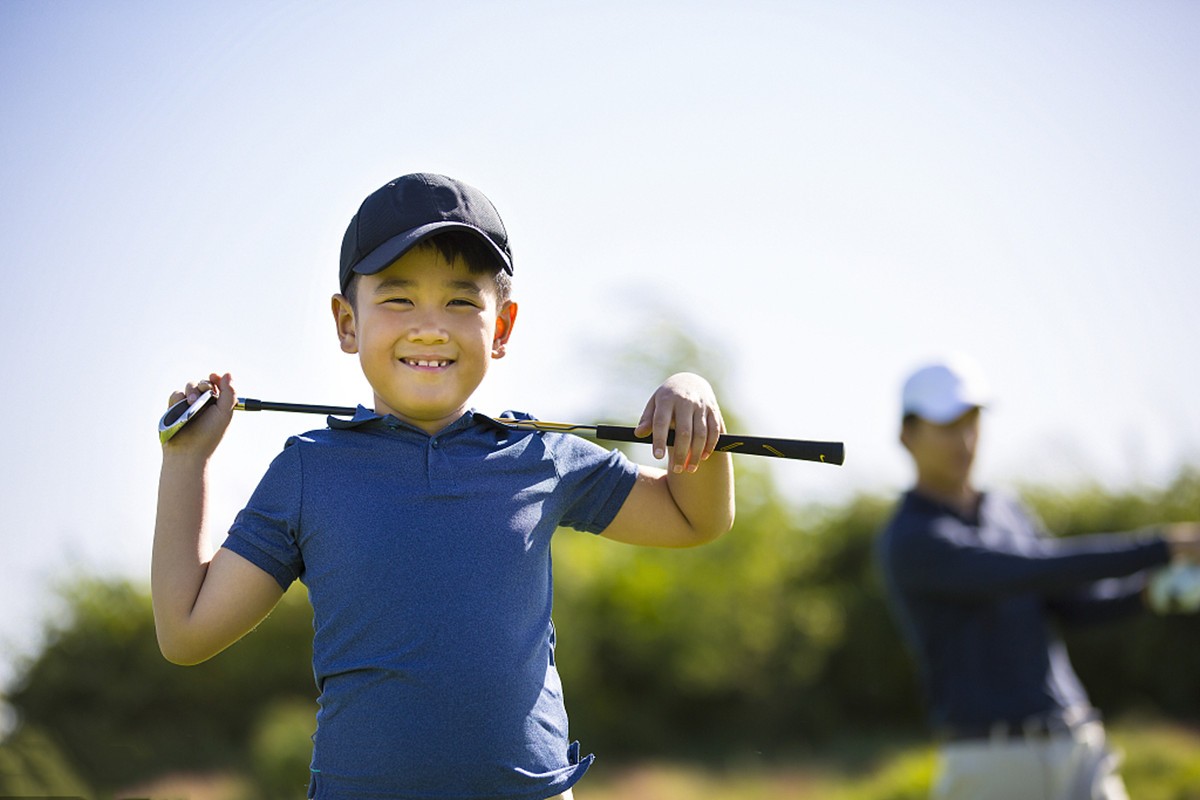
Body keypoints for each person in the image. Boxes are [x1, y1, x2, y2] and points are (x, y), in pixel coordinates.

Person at [152, 173, 736, 800]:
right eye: (398, 300)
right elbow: (186, 631)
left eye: (461, 302)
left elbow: (693, 518)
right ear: (346, 323)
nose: (430, 328)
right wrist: (186, 460)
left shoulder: (538, 455)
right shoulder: (308, 471)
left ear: (502, 327)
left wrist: (693, 397)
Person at [875, 356, 1200, 800]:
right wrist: (1164, 545)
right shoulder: (912, 537)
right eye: (948, 425)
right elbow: (1033, 569)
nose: (966, 439)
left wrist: (1157, 591)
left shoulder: (1007, 510)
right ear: (907, 436)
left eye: (973, 422)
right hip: (991, 764)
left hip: (1078, 743)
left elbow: (1073, 605)